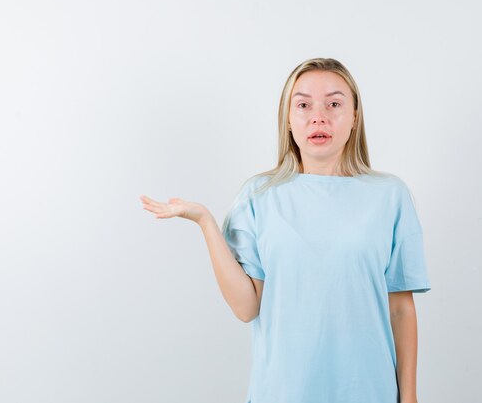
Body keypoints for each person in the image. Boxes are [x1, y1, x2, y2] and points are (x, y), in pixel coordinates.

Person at [140, 57, 431, 403]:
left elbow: (400, 308)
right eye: (304, 105)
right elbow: (247, 308)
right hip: (282, 392)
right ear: (289, 120)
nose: (318, 116)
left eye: (334, 104)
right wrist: (205, 222)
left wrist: (409, 398)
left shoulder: (390, 196)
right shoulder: (258, 196)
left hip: (366, 390)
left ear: (354, 117)